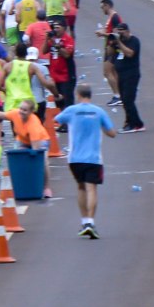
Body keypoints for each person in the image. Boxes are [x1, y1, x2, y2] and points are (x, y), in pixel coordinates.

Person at [56, 83, 119, 238]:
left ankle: (84, 222)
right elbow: (112, 133)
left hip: (75, 158)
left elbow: (58, 119)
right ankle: (91, 222)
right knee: (92, 188)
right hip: (93, 158)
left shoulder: (72, 110)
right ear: (90, 95)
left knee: (81, 188)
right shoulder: (98, 112)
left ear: (78, 95)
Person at [115, 21, 146, 132]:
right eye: (118, 32)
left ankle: (134, 124)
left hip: (131, 74)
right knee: (124, 99)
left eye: (122, 32)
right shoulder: (119, 41)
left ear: (127, 31)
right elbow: (111, 54)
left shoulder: (134, 41)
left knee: (128, 99)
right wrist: (111, 42)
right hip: (121, 74)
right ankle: (134, 122)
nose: (120, 35)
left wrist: (119, 42)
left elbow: (130, 53)